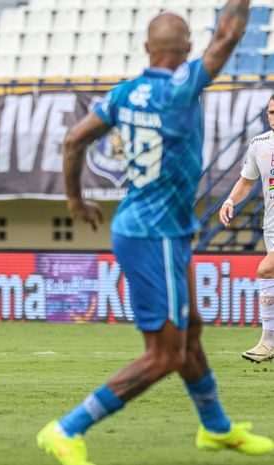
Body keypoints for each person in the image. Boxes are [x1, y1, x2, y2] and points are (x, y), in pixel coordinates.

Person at [37, 3, 274, 465]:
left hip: (150, 227)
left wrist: (74, 200)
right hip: (155, 235)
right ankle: (66, 428)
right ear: (186, 50)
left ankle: (216, 429)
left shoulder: (123, 93)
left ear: (146, 49)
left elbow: (72, 141)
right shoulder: (184, 87)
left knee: (193, 333)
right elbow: (226, 35)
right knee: (165, 355)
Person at [219, 93, 274, 363]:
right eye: (272, 113)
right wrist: (230, 201)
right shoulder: (260, 144)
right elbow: (247, 181)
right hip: (271, 228)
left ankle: (268, 342)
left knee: (266, 269)